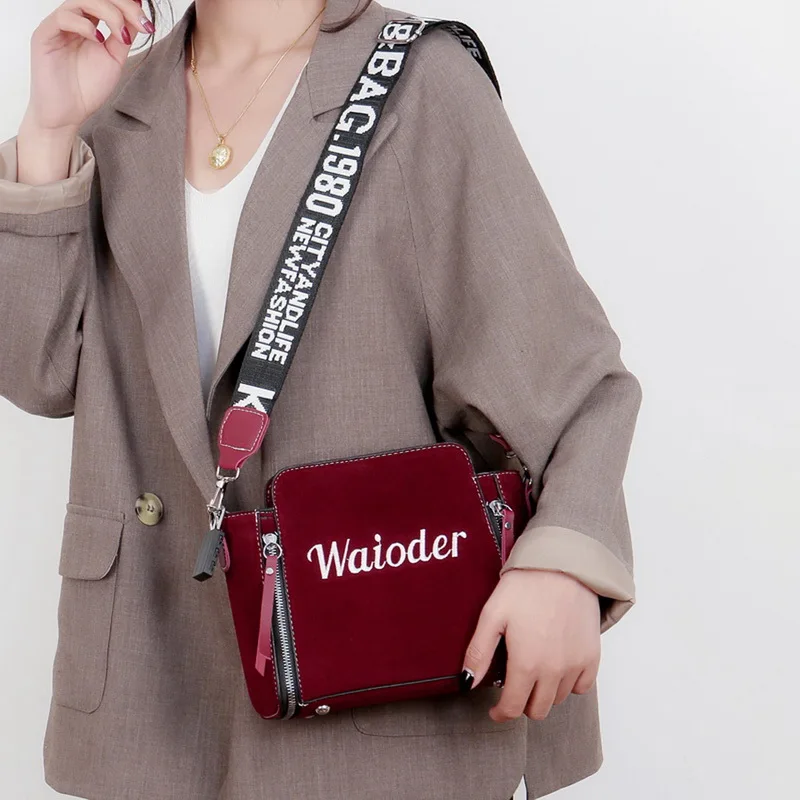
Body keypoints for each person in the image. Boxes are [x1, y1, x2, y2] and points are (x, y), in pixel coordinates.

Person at [0, 0, 642, 798]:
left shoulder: (419, 82)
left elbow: (570, 378)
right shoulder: (119, 100)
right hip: (152, 678)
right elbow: (42, 372)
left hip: (363, 675)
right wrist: (49, 132)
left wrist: (562, 567)